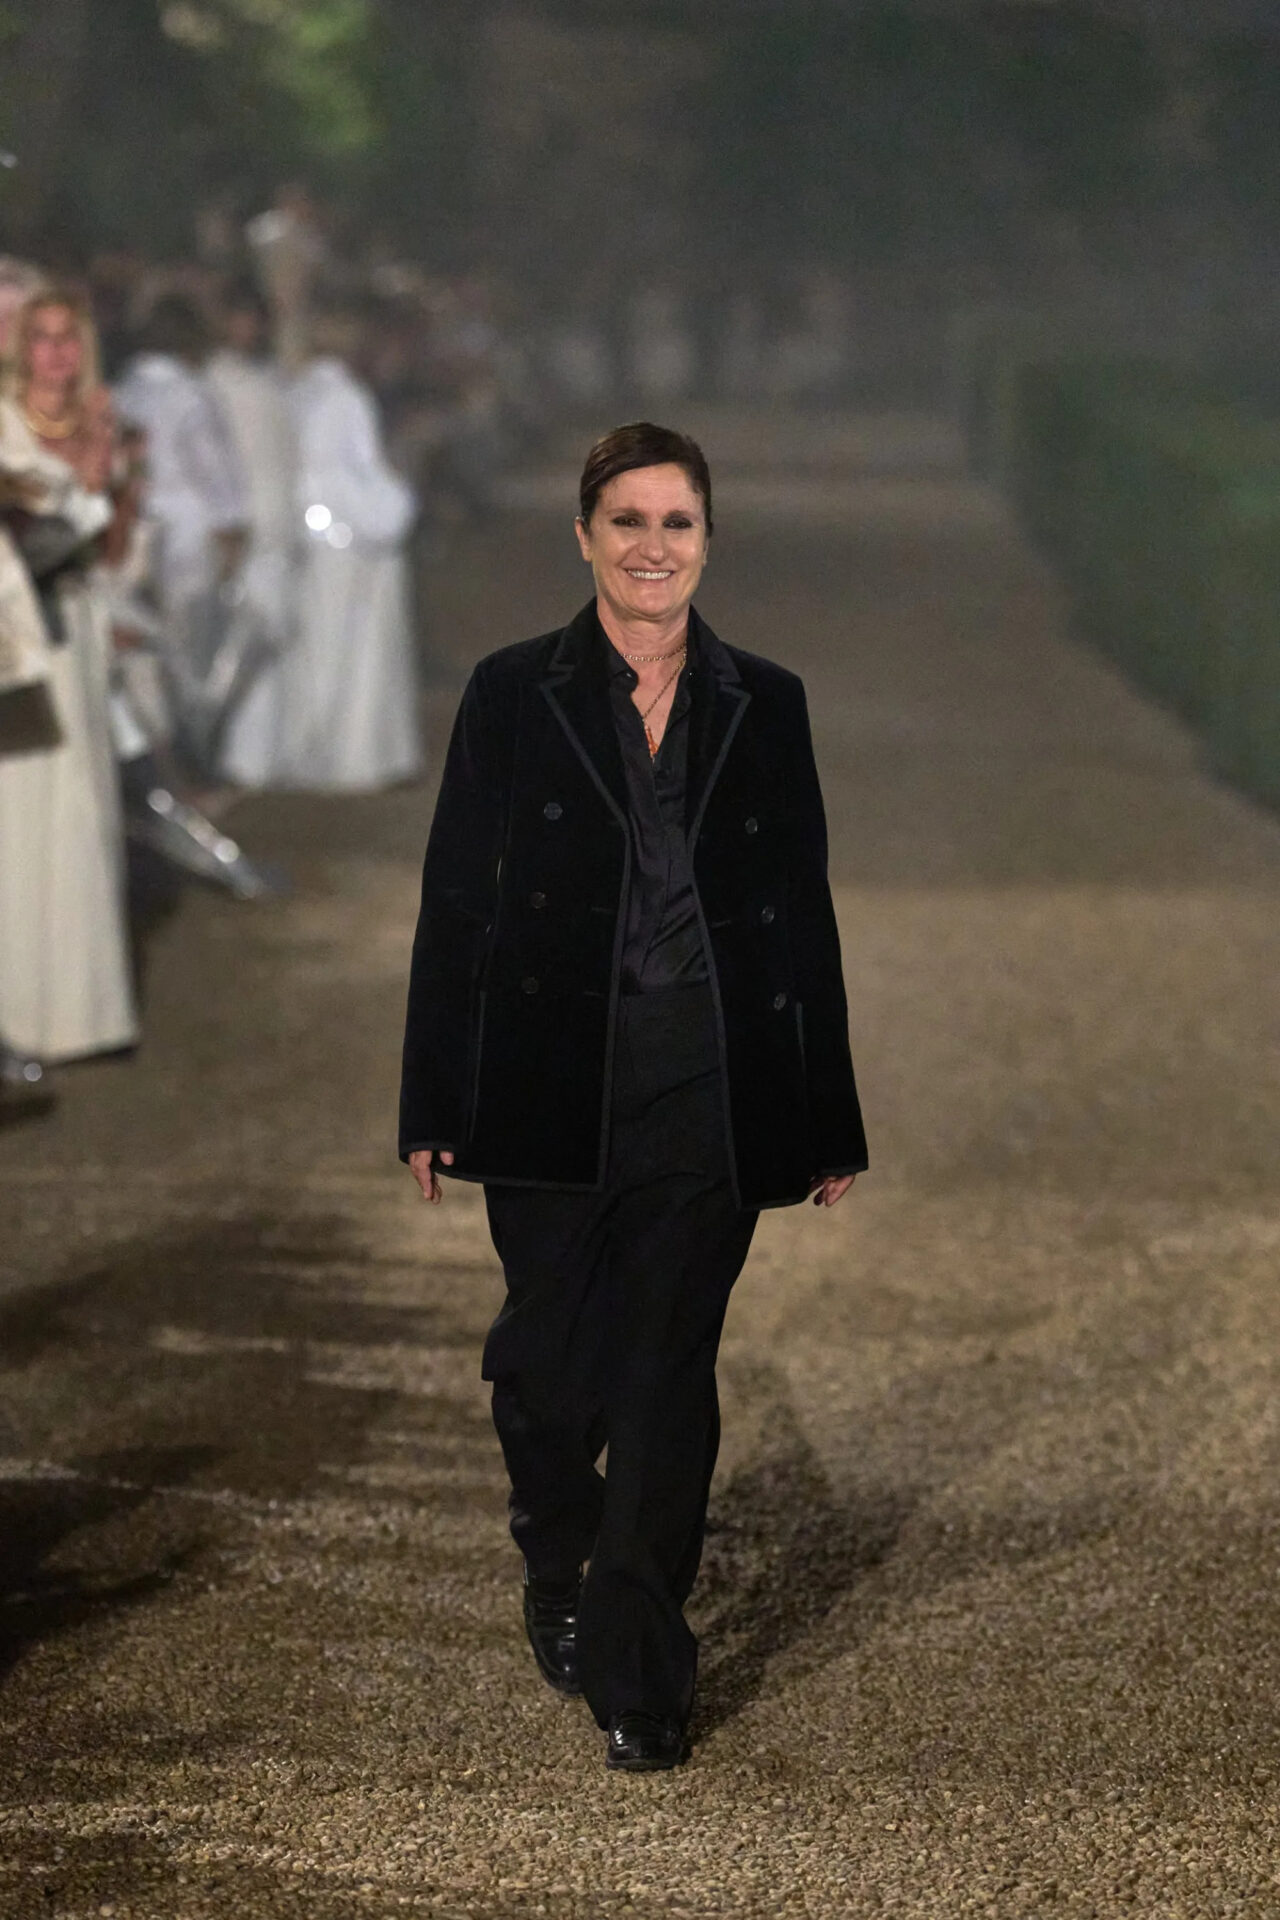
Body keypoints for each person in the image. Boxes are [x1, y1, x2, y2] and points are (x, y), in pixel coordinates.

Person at [399, 422, 867, 1771]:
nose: (652, 547)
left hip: (706, 1083)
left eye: (676, 522)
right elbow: (456, 900)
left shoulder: (765, 701)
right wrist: (431, 1095)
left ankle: (640, 1664)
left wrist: (824, 1113)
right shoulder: (512, 693)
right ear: (584, 537)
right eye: (627, 521)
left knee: (664, 1371)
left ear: (707, 539)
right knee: (549, 1372)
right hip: (547, 1079)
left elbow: (798, 915)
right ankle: (557, 1552)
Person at [0, 288, 139, 1065]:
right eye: (41, 337)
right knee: (27, 818)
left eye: (68, 337)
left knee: (84, 808)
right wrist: (85, 485)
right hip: (25, 636)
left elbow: (111, 546)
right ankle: (23, 1016)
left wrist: (109, 471)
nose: (56, 352)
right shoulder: (5, 425)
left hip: (79, 626)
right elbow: (29, 545)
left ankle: (85, 1014)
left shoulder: (98, 423)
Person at [253, 299, 422, 790]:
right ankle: (352, 759)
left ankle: (313, 753)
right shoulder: (346, 397)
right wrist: (393, 508)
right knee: (355, 656)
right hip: (349, 544)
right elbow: (355, 473)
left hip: (310, 540)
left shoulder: (295, 393)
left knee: (314, 652)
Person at [114, 293, 249, 766]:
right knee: (191, 653)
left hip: (135, 529)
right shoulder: (190, 392)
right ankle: (194, 757)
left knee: (148, 649)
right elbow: (213, 468)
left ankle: (164, 753)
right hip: (189, 531)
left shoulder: (122, 388)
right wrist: (232, 531)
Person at [208, 277, 299, 786]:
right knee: (242, 641)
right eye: (239, 318)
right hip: (239, 530)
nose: (247, 328)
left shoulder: (272, 378)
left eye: (254, 319)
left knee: (276, 636)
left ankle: (268, 757)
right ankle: (239, 759)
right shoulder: (214, 381)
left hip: (279, 525)